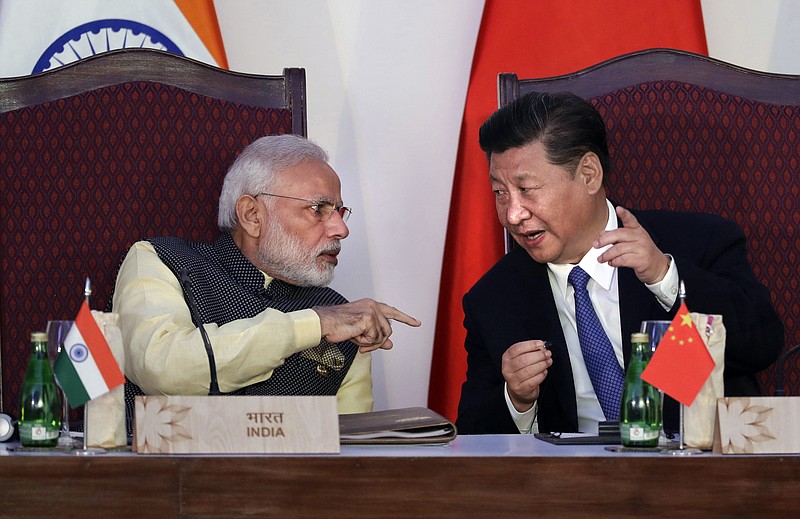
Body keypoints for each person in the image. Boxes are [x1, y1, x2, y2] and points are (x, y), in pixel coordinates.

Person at [456, 91, 784, 435]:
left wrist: (664, 276)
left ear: (588, 174)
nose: (513, 214)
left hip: (696, 475)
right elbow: (472, 438)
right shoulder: (493, 299)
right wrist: (517, 399)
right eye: (500, 192)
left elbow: (761, 346)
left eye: (527, 189)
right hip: (569, 484)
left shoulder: (698, 243)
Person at [113, 134, 421, 420]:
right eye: (318, 209)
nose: (341, 229)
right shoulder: (162, 259)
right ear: (252, 215)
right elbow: (163, 369)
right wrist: (314, 324)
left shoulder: (343, 316)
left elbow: (351, 453)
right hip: (165, 475)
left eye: (339, 211)